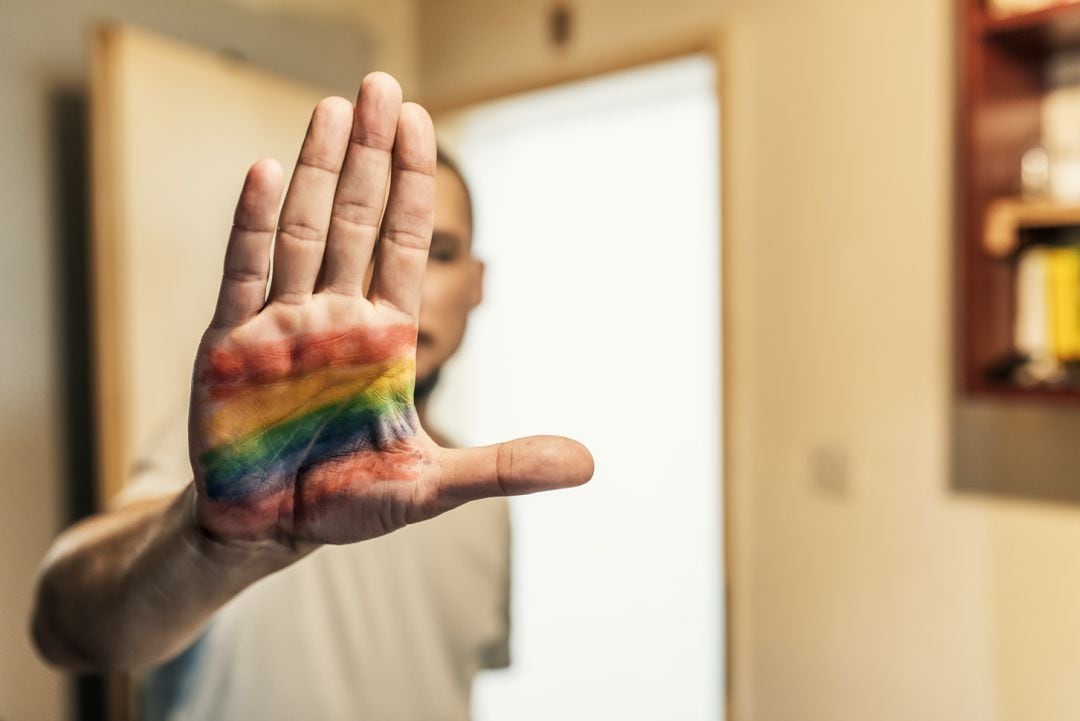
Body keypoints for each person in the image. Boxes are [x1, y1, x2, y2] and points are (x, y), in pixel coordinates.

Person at [31, 72, 594, 720]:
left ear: (478, 283)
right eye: (373, 247)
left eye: (438, 253)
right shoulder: (250, 453)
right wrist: (212, 541)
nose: (399, 284)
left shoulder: (483, 502)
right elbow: (65, 625)